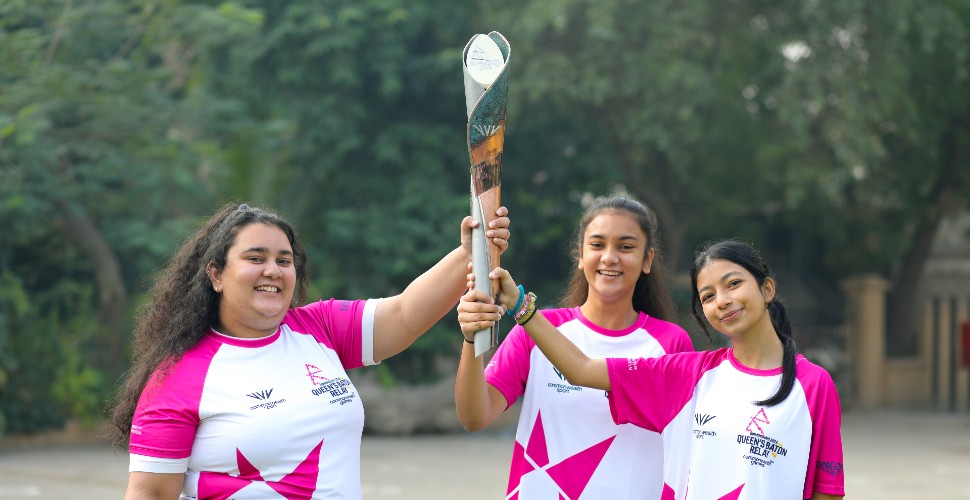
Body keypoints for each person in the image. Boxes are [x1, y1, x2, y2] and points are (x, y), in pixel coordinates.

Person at [108, 202, 510, 500]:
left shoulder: (318, 328)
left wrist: (470, 249)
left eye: (284, 260)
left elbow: (405, 314)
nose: (273, 270)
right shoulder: (177, 376)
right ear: (215, 274)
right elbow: (150, 493)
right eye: (255, 258)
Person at [459, 239, 845, 500]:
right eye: (708, 296)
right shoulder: (686, 376)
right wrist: (520, 307)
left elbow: (826, 490)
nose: (723, 301)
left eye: (734, 284)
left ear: (766, 289)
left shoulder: (813, 385)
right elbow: (581, 369)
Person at [455, 195, 693, 499]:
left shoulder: (671, 344)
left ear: (647, 260)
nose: (609, 257)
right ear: (580, 255)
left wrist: (521, 307)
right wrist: (471, 337)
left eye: (625, 246)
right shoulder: (535, 332)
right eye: (597, 245)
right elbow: (474, 416)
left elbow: (686, 452)